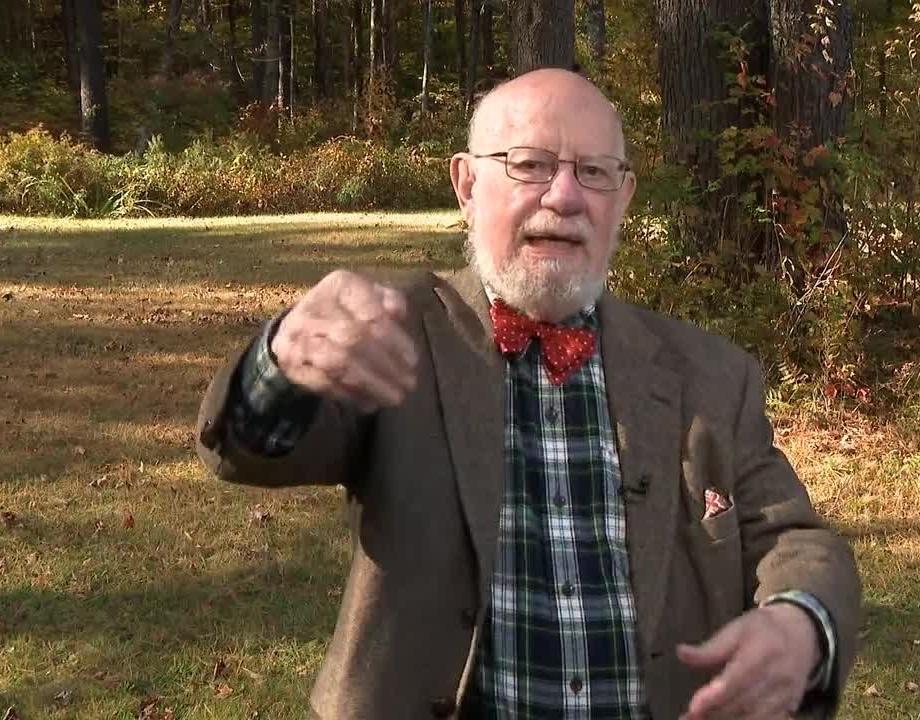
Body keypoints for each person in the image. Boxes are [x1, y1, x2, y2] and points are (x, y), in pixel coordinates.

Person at [195, 68, 861, 720]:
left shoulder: (710, 374)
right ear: (466, 184)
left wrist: (800, 622)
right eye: (529, 164)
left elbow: (792, 538)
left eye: (594, 172)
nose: (565, 196)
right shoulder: (393, 331)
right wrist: (279, 362)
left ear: (623, 196)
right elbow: (252, 448)